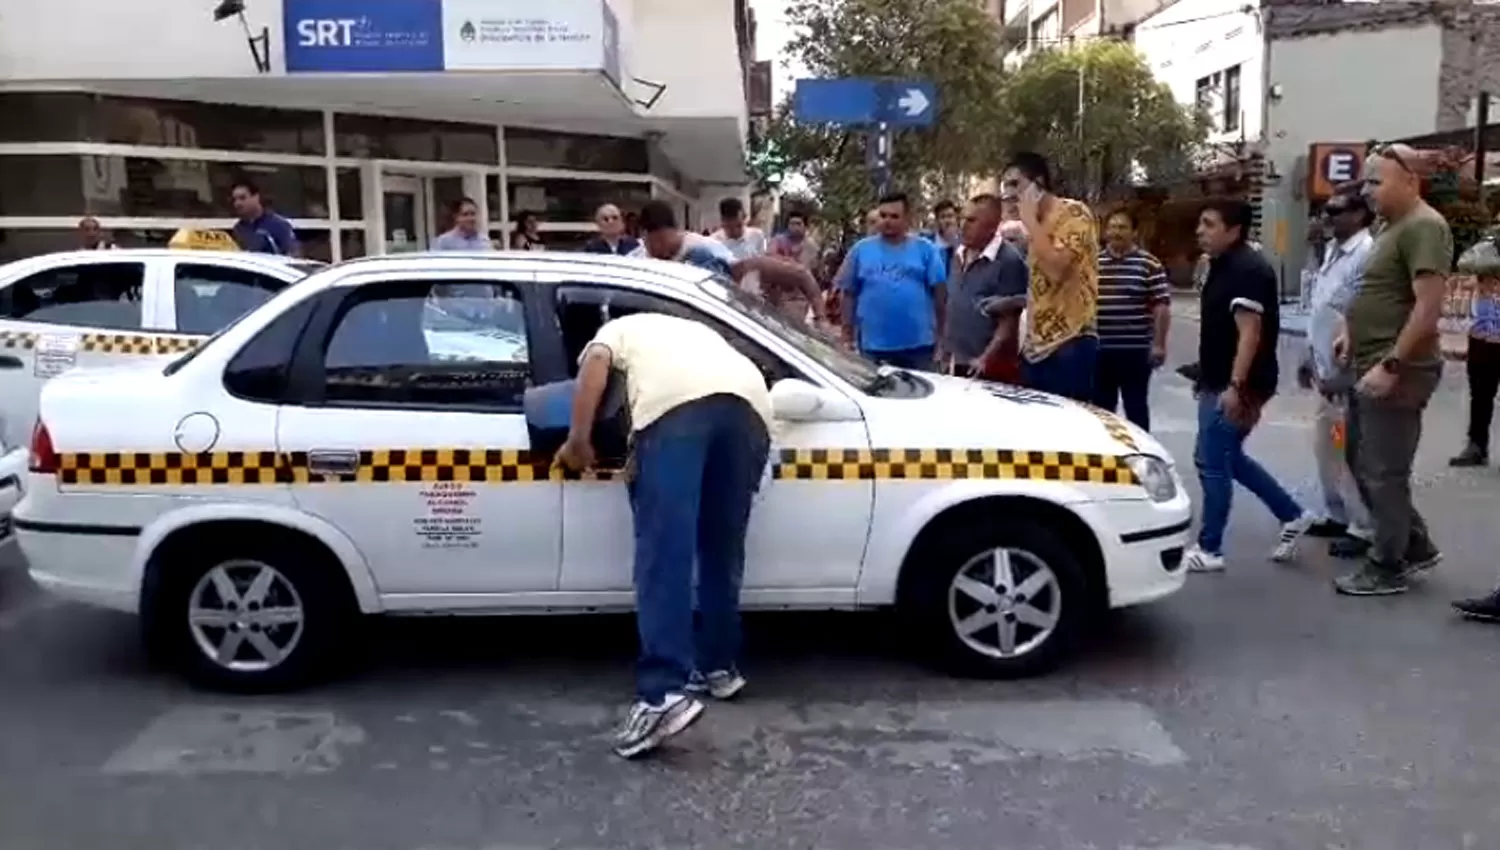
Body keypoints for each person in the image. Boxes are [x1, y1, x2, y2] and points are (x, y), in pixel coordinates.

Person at [556, 311, 772, 759]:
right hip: (751, 410)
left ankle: (662, 695)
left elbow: (595, 365)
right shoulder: (694, 330)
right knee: (721, 546)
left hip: (676, 410)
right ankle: (718, 667)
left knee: (664, 552)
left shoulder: (615, 331)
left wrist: (578, 440)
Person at [1333, 143, 1448, 597]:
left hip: (1398, 369)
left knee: (1384, 470)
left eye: (1377, 181)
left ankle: (1388, 564)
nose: (1368, 191)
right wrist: (1350, 330)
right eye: (1365, 181)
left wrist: (1392, 363)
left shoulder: (1425, 227)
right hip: (1369, 360)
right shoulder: (1390, 227)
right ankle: (1412, 543)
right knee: (1361, 460)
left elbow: (1428, 307)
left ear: (1410, 182)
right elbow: (1377, 290)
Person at [1183, 198, 1315, 574]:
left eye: (1209, 224)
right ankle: (1292, 514)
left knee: (1213, 461)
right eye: (1200, 224)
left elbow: (1250, 334)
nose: (1200, 231)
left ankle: (1210, 548)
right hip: (1220, 379)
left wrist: (1235, 386)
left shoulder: (1247, 270)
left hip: (1239, 383)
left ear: (1233, 230)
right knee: (1224, 456)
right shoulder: (1223, 265)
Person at [1297, 190, 1375, 559]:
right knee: (1326, 450)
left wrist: (1343, 372)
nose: (1327, 217)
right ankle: (1338, 515)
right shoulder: (1333, 250)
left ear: (1360, 214)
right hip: (1323, 370)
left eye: (1336, 211)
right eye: (1324, 210)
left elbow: (1359, 316)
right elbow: (1320, 308)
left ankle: (1363, 527)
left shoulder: (1366, 254)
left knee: (1348, 452)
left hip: (1344, 376)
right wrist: (1307, 355)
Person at [1001, 152, 1099, 402]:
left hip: (1070, 342)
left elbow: (1056, 271)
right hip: (1035, 347)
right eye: (1005, 186)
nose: (1008, 193)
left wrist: (1031, 222)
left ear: (1039, 184)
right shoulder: (1034, 228)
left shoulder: (1075, 214)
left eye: (1015, 184)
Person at [632, 201, 823, 318]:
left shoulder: (707, 251)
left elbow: (799, 274)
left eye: (664, 240)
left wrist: (821, 318)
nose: (659, 248)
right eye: (652, 242)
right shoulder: (637, 260)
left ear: (676, 230)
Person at [838, 191, 948, 370]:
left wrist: (941, 338)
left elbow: (940, 295)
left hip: (919, 347)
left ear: (907, 218)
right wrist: (846, 334)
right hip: (874, 347)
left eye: (894, 216)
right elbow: (848, 294)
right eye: (883, 215)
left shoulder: (926, 250)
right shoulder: (860, 250)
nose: (887, 221)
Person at [1093, 209, 1171, 429]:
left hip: (1135, 351)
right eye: (1112, 227)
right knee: (1101, 409)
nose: (1116, 232)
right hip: (1100, 350)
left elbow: (1161, 306)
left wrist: (1159, 344)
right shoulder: (1093, 263)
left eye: (1122, 227)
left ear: (1134, 233)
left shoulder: (1150, 265)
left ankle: (1141, 455)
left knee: (1135, 407)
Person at [944, 194, 1027, 381]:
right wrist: (944, 350)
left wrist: (985, 358)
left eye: (971, 220)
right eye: (962, 219)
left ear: (991, 226)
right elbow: (952, 303)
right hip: (959, 361)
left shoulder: (1009, 260)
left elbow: (1010, 320)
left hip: (992, 367)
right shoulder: (958, 253)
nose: (963, 225)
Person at [767, 211, 822, 322]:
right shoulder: (777, 241)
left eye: (798, 224)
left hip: (798, 297)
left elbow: (808, 271)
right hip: (775, 294)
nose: (794, 227)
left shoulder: (811, 246)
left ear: (805, 227)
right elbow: (769, 258)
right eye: (791, 224)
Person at [711, 198, 769, 295]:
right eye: (729, 227)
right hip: (724, 297)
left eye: (739, 226)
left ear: (744, 219)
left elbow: (763, 264)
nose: (735, 231)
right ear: (722, 222)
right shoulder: (713, 242)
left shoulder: (757, 236)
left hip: (753, 296)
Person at [229, 178, 300, 256]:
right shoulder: (238, 229)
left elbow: (294, 255)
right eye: (235, 200)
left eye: (242, 198)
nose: (237, 203)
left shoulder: (278, 224)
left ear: (256, 197)